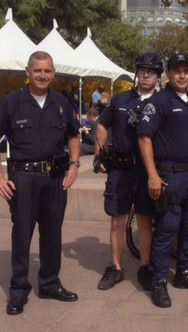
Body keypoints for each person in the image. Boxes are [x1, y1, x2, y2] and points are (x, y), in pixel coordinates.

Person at [0, 51, 81, 315]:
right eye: (37, 71)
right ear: (28, 71)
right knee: (22, 235)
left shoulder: (61, 103)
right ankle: (18, 291)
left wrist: (75, 164)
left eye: (47, 71)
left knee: (52, 234)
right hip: (24, 179)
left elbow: (73, 135)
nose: (42, 75)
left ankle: (49, 284)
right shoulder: (11, 102)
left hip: (56, 179)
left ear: (53, 72)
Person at [137, 53, 188, 308]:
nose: (182, 75)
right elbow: (144, 138)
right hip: (170, 176)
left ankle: (184, 273)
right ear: (167, 73)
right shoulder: (159, 101)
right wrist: (153, 175)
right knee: (167, 230)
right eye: (177, 70)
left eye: (186, 71)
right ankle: (158, 281)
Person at [94, 53, 162, 291]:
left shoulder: (162, 101)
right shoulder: (120, 99)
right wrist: (99, 153)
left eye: (151, 71)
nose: (145, 75)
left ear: (157, 76)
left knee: (144, 220)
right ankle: (115, 267)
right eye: (142, 70)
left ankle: (145, 267)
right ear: (136, 72)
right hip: (120, 169)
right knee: (117, 221)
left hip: (147, 171)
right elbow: (102, 123)